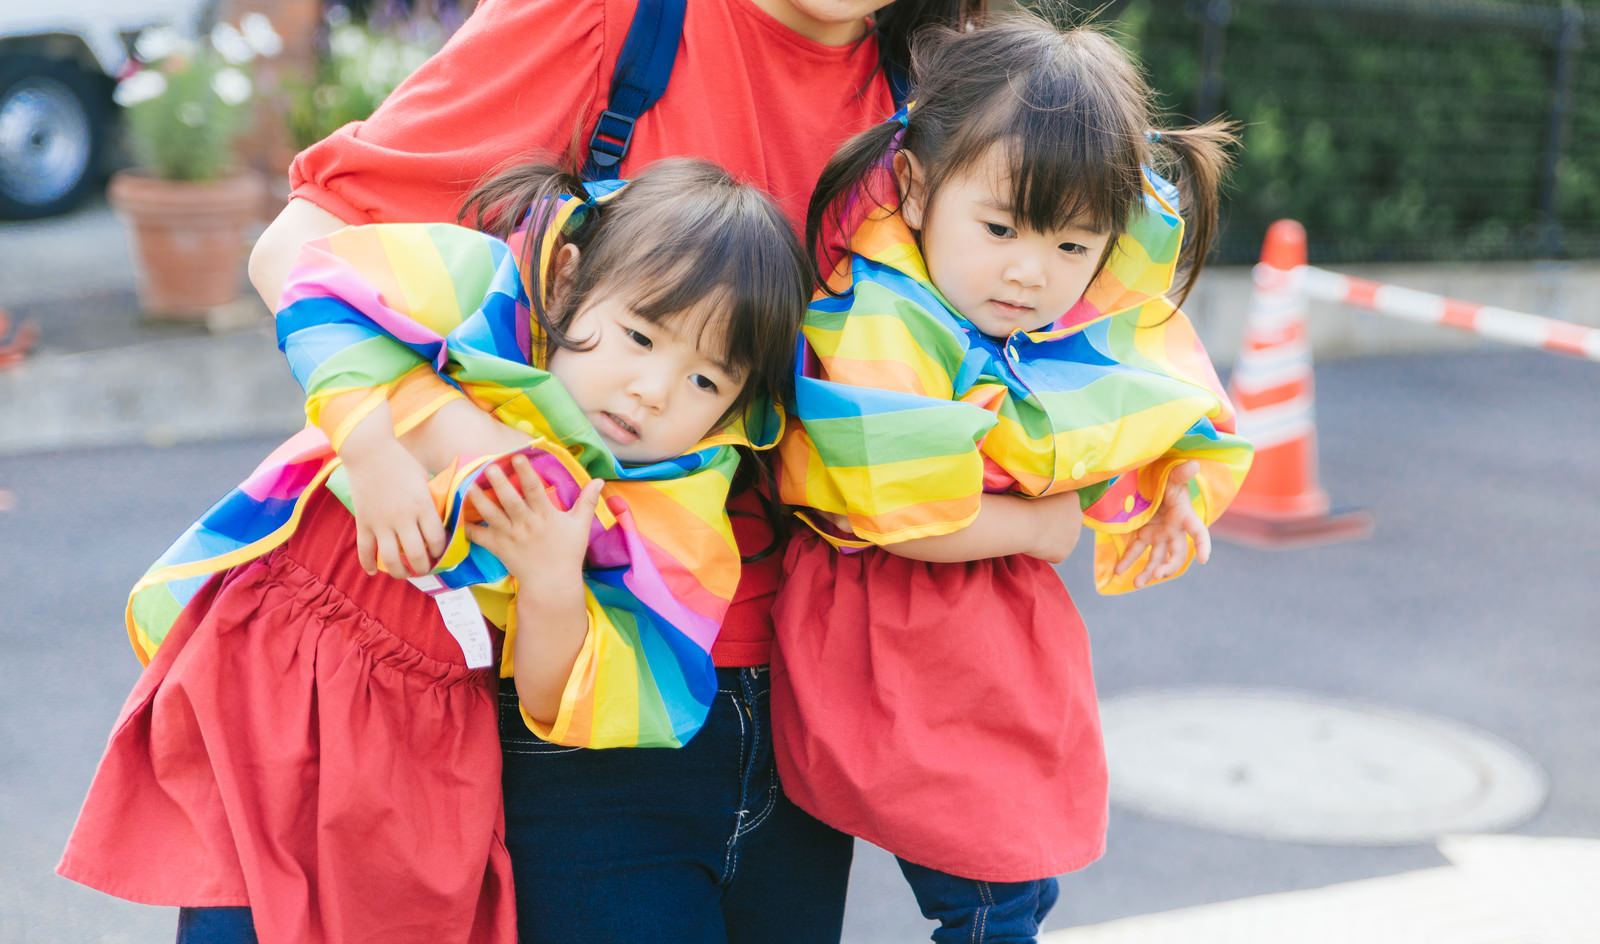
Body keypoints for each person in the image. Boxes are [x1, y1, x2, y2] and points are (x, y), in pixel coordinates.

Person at [246, 3, 988, 942]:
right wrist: (525, 480)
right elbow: (301, 251)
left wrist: (1062, 512)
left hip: (797, 694)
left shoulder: (939, 92)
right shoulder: (616, 17)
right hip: (581, 686)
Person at [58, 157, 809, 944]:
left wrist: (551, 579)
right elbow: (316, 287)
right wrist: (373, 449)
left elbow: (575, 700)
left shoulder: (668, 505)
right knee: (237, 912)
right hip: (284, 661)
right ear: (566, 278)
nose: (653, 388)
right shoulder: (486, 291)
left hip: (425, 729)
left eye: (705, 382)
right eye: (639, 334)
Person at [770, 13, 1256, 944]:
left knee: (1022, 886)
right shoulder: (886, 317)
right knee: (991, 898)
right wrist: (1043, 528)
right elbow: (894, 513)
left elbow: (1152, 397)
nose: (1031, 272)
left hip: (985, 645)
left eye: (1074, 247)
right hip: (903, 644)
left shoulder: (1050, 325)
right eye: (1000, 228)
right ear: (914, 189)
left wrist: (1178, 494)